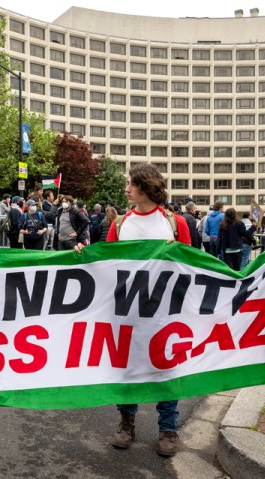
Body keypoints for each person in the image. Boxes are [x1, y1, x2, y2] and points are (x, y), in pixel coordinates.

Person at [90, 163, 191, 457]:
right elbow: (106, 265)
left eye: (131, 184)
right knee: (127, 369)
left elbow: (193, 267)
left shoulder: (175, 223)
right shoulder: (120, 224)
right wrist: (84, 258)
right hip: (127, 312)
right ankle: (126, 423)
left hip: (165, 313)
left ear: (146, 186)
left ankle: (168, 428)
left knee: (167, 369)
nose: (126, 189)